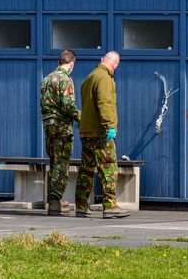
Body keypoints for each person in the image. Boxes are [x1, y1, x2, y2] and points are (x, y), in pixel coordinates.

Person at [75, 51, 129, 219]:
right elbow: (105, 103)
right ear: (116, 65)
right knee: (108, 168)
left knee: (86, 170)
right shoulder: (105, 78)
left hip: (86, 131)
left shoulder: (89, 77)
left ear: (101, 60)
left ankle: (81, 206)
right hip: (100, 132)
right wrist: (110, 126)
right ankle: (110, 206)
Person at [40, 49, 80, 216]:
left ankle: (53, 200)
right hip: (62, 126)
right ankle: (55, 201)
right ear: (71, 64)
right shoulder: (66, 79)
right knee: (62, 163)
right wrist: (81, 117)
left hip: (48, 124)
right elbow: (68, 105)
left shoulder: (46, 79)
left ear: (59, 62)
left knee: (53, 161)